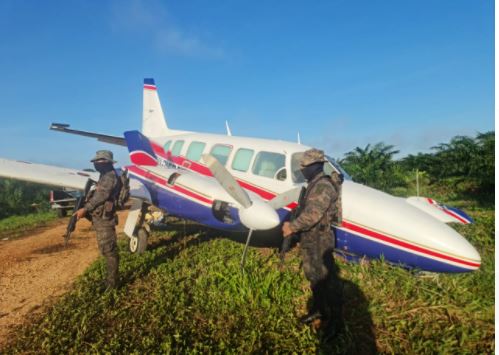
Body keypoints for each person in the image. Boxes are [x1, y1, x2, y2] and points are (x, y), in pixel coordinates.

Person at [282, 148, 343, 339]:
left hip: (319, 239)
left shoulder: (323, 186)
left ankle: (336, 323)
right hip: (311, 238)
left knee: (326, 281)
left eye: (304, 166)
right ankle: (318, 311)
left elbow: (313, 215)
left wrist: (292, 227)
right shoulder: (313, 184)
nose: (301, 169)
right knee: (314, 278)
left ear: (316, 166)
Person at [75, 150, 121, 290]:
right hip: (101, 217)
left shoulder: (109, 176)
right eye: (96, 161)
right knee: (105, 249)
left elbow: (101, 196)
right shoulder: (104, 175)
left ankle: (112, 284)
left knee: (109, 250)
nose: (96, 163)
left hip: (105, 219)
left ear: (107, 162)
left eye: (99, 161)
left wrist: (85, 209)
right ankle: (109, 280)